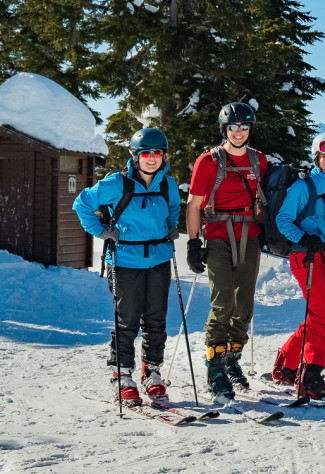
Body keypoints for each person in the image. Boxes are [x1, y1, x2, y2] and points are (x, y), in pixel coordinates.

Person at [73, 127, 180, 405]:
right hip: (125, 260)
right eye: (145, 153)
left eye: (157, 153)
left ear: (163, 155)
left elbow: (174, 210)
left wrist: (171, 228)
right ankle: (122, 376)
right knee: (127, 320)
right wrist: (100, 230)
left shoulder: (167, 184)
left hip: (158, 260)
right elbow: (81, 202)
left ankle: (152, 372)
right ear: (135, 156)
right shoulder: (115, 184)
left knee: (156, 320)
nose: (152, 158)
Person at [185, 101, 268, 399]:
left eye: (244, 127)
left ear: (250, 129)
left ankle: (232, 360)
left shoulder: (259, 160)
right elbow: (194, 204)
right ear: (224, 129)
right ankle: (214, 366)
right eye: (233, 127)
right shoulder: (207, 161)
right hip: (218, 237)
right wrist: (194, 243)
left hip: (250, 236)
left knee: (244, 306)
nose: (238, 132)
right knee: (223, 305)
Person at [269, 132, 325, 398]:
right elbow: (283, 220)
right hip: (305, 257)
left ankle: (287, 365)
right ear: (317, 156)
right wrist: (304, 238)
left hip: (323, 258)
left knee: (316, 316)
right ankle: (311, 378)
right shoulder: (303, 186)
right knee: (322, 317)